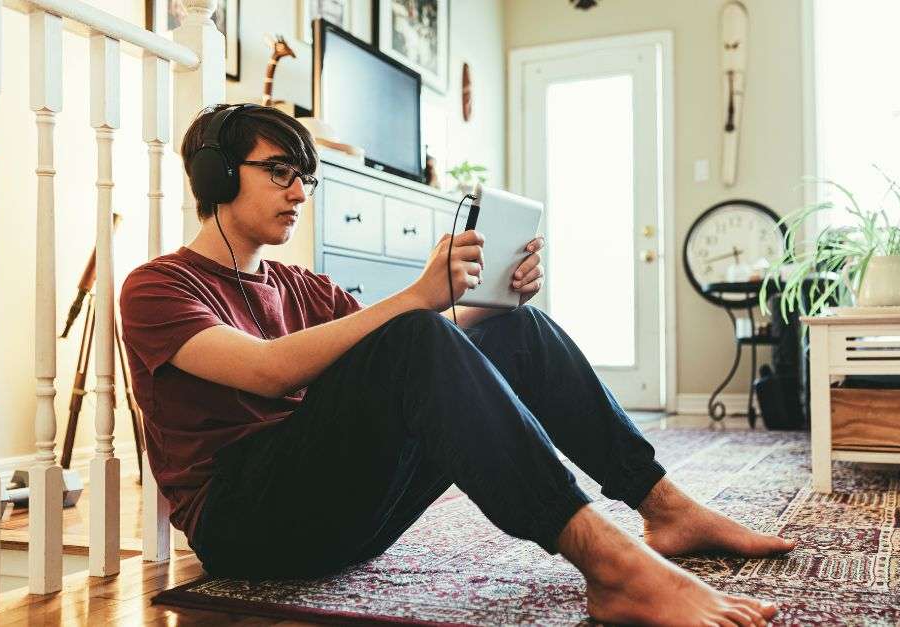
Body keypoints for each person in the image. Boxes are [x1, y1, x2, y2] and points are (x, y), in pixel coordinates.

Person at [120, 104, 796, 627]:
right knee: (414, 329)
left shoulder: (305, 286)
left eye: (306, 178)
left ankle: (665, 506)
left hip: (338, 517)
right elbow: (270, 370)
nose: (299, 191)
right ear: (218, 176)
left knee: (515, 329)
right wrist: (418, 298)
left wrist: (490, 304)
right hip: (247, 525)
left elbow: (420, 360)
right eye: (280, 171)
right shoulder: (158, 287)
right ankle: (611, 563)